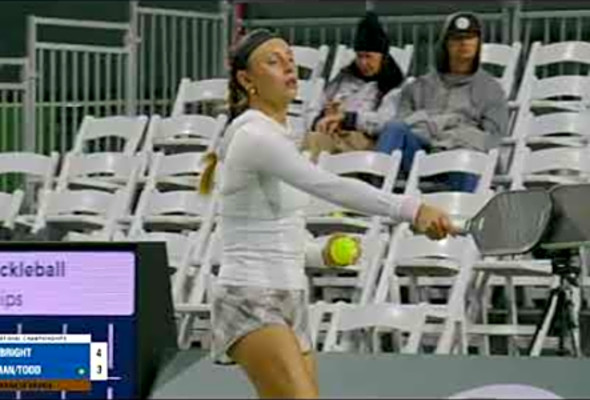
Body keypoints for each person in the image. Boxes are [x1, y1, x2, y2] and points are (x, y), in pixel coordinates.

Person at [199, 29, 457, 399]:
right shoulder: (254, 137)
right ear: (246, 80)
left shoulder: (283, 135)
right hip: (249, 295)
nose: (288, 67)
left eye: (290, 59)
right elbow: (327, 185)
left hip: (291, 294)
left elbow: (283, 230)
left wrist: (321, 252)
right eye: (273, 62)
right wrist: (411, 208)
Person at [375, 11, 509, 192]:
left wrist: (448, 138)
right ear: (445, 44)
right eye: (456, 38)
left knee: (466, 155)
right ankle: (372, 197)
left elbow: (492, 138)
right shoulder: (419, 85)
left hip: (462, 158)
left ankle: (461, 216)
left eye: (470, 37)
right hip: (421, 156)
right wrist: (442, 128)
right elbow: (404, 121)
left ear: (478, 43)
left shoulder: (491, 89)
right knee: (394, 129)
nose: (464, 43)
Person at [302, 12, 405, 163]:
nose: (363, 63)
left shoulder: (394, 85)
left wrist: (347, 119)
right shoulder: (343, 78)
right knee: (314, 138)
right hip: (332, 134)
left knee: (317, 143)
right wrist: (322, 119)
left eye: (368, 57)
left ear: (382, 57)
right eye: (359, 56)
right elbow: (313, 107)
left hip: (364, 141)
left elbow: (385, 122)